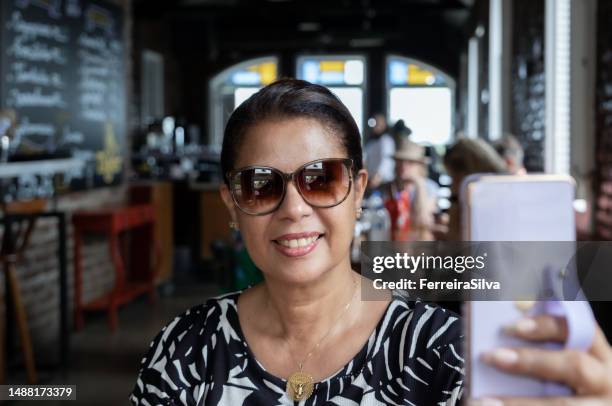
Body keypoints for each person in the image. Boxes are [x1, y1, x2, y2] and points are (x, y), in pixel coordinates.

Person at [130, 80, 612, 405]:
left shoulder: (445, 354)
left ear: (358, 191)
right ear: (233, 205)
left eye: (320, 179)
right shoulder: (185, 348)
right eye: (261, 184)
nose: (294, 208)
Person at [441, 137, 508, 241]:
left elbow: (455, 238)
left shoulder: (467, 193)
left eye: (451, 175)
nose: (452, 184)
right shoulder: (505, 189)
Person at [381, 138, 437, 241]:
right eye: (400, 161)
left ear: (420, 165)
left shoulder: (430, 187)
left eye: (410, 162)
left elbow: (423, 220)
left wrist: (419, 184)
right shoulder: (387, 187)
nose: (404, 166)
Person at [364, 113, 395, 190]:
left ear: (384, 124)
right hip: (371, 181)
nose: (376, 125)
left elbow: (386, 160)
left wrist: (378, 176)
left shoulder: (387, 140)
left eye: (378, 122)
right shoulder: (371, 142)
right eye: (374, 122)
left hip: (384, 182)